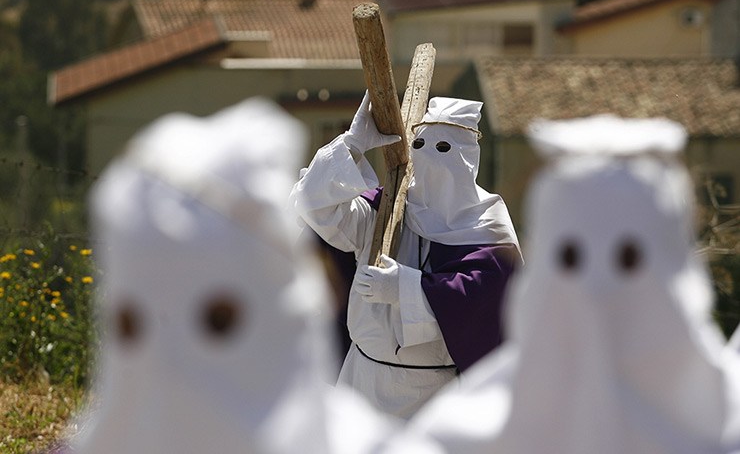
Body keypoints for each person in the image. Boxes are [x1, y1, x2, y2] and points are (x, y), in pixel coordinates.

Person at [383, 114, 740, 453]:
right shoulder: (461, 436)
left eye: (628, 260)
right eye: (571, 258)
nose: (598, 289)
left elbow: (480, 287)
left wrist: (409, 287)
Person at [73, 98, 397, 454]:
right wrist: (350, 148)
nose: (174, 373)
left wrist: (413, 292)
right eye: (131, 324)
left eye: (217, 321)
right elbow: (314, 204)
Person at [290, 93, 522, 419]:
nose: (430, 157)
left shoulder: (486, 226)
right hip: (361, 382)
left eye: (444, 149)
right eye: (421, 144)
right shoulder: (383, 208)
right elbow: (316, 207)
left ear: (469, 158)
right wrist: (352, 145)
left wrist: (406, 287)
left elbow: (485, 295)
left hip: (430, 397)